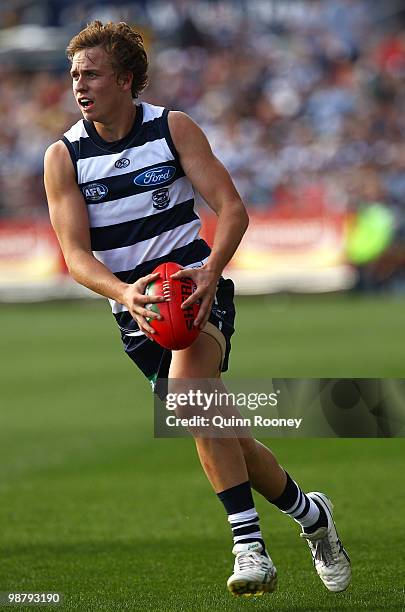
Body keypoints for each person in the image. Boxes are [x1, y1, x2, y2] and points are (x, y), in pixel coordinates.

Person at [44, 20, 351, 597]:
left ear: (127, 80)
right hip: (136, 312)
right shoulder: (63, 156)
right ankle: (313, 516)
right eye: (74, 75)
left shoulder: (172, 128)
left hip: (195, 290)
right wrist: (124, 294)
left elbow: (232, 210)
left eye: (92, 73)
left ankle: (249, 547)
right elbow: (75, 256)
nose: (79, 85)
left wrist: (210, 271)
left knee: (190, 401)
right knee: (217, 424)